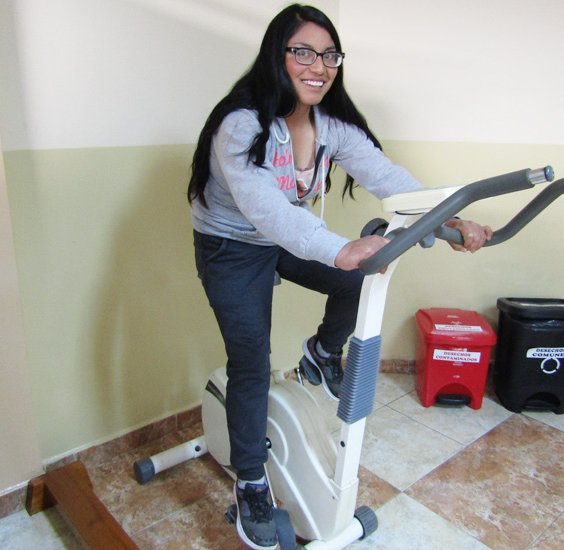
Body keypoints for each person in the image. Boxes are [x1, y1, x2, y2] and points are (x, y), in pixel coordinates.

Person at [186, 5, 492, 548]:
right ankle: (252, 480)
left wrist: (453, 217)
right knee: (251, 360)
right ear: (276, 56)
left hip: (289, 234)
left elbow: (390, 178)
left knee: (355, 280)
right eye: (302, 52)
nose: (318, 66)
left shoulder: (331, 125)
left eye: (329, 55)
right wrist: (340, 246)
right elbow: (267, 211)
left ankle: (321, 354)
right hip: (232, 246)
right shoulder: (241, 123)